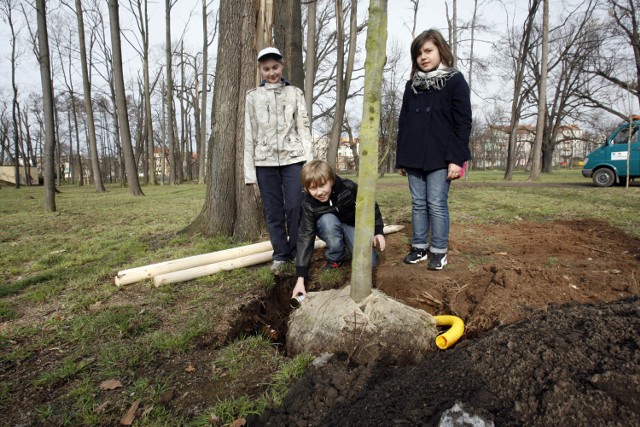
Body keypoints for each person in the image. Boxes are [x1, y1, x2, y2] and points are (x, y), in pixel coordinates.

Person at [395, 29, 472, 271]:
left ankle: (438, 251)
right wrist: (401, 159)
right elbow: (404, 122)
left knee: (436, 203)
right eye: (418, 54)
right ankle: (419, 247)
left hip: (442, 155)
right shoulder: (412, 86)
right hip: (414, 155)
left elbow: (463, 122)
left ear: (441, 51)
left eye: (428, 51)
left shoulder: (455, 81)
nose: (423, 57)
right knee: (418, 203)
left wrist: (456, 159)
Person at [244, 47, 314, 274]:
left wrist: (309, 163)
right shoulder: (253, 97)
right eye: (266, 69)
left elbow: (304, 127)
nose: (271, 73)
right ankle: (281, 255)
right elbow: (249, 133)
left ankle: (296, 251)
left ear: (282, 66)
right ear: (260, 70)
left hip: (293, 159)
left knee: (295, 206)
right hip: (264, 163)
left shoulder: (295, 93)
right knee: (273, 210)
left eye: (275, 67)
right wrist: (249, 173)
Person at [291, 160, 386, 298]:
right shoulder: (309, 204)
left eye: (323, 185)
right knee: (328, 220)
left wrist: (378, 231)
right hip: (328, 226)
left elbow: (369, 205)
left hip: (351, 226)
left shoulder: (347, 187)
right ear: (306, 189)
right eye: (313, 188)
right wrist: (300, 278)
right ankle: (336, 257)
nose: (319, 192)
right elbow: (305, 237)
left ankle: (348, 246)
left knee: (370, 262)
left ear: (331, 180)